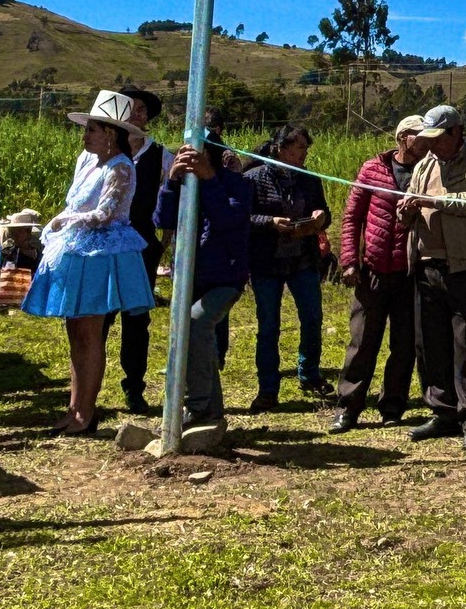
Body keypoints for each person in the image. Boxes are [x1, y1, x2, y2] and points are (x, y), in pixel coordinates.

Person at [22, 89, 157, 436]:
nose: (85, 136)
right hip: (77, 251)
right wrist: (63, 220)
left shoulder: (121, 166)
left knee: (89, 332)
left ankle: (86, 411)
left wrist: (65, 221)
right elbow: (78, 203)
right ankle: (75, 407)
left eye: (91, 130)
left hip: (100, 254)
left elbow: (106, 213)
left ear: (110, 134)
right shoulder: (89, 163)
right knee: (76, 331)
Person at [402, 105, 466, 449]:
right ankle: (442, 411)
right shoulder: (424, 165)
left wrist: (436, 199)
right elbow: (409, 207)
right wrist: (407, 209)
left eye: (436, 138)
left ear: (455, 132)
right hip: (427, 265)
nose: (430, 145)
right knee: (430, 342)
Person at [330, 115, 425, 433]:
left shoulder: (428, 172)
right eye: (418, 136)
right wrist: (349, 261)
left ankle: (393, 405)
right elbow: (351, 218)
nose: (424, 142)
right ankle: (348, 406)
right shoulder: (373, 169)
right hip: (372, 272)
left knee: (404, 343)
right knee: (362, 342)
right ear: (403, 138)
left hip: (409, 273)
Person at [157, 137, 255, 429]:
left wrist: (209, 179)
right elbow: (163, 218)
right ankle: (212, 413)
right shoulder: (183, 183)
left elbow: (227, 219)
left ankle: (196, 406)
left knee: (195, 323)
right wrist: (172, 181)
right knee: (198, 340)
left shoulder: (237, 184)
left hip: (226, 277)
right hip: (188, 276)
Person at [243, 123, 331, 412]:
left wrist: (319, 218)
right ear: (281, 149)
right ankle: (267, 388)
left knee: (312, 318)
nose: (305, 153)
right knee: (269, 325)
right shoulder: (254, 178)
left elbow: (324, 212)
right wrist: (270, 223)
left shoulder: (309, 179)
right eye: (300, 148)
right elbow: (243, 217)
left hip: (303, 260)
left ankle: (309, 374)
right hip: (267, 262)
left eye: (306, 148)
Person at [104, 87, 167, 414]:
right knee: (98, 317)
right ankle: (88, 388)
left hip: (141, 244)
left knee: (136, 318)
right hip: (102, 245)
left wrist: (163, 244)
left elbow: (173, 201)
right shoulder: (99, 152)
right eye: (133, 108)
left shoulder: (161, 156)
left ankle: (134, 388)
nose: (138, 113)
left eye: (144, 110)